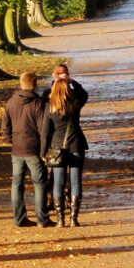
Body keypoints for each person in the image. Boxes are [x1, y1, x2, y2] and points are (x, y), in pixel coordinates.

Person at [2, 71, 52, 227]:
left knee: (17, 184)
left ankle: (19, 218)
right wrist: (44, 149)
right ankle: (42, 219)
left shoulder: (11, 102)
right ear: (35, 84)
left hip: (17, 148)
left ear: (21, 83)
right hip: (33, 148)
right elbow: (42, 129)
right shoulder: (37, 103)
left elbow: (5, 127)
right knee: (39, 183)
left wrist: (11, 140)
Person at [42, 79, 89, 228]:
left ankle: (60, 219)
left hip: (57, 147)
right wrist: (72, 81)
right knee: (76, 182)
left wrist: (43, 151)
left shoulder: (50, 107)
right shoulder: (75, 104)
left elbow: (45, 133)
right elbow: (84, 94)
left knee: (58, 183)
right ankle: (74, 219)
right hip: (76, 145)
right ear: (69, 90)